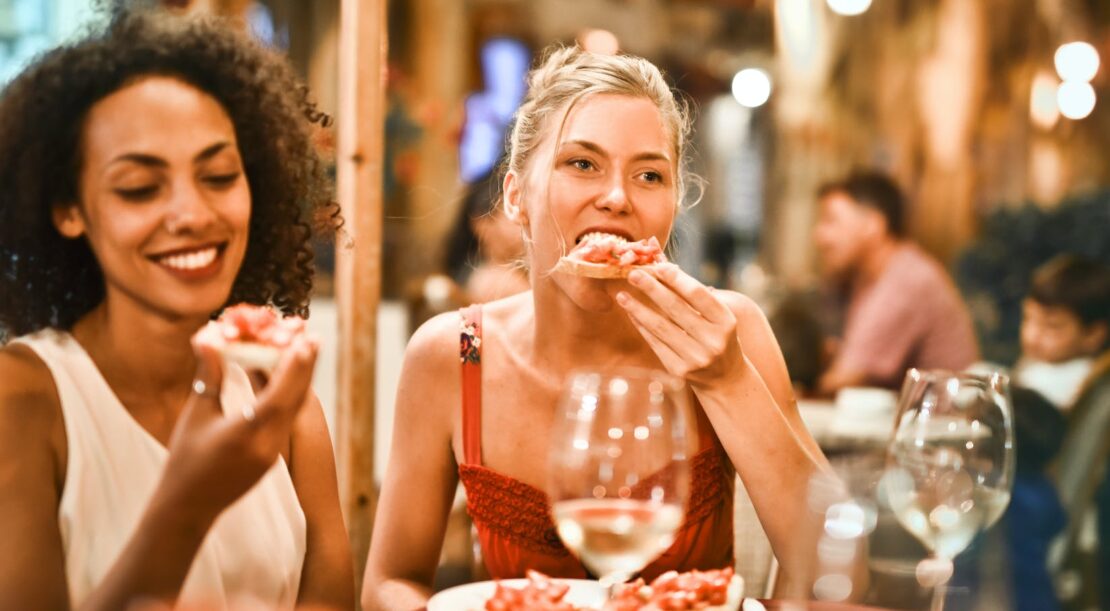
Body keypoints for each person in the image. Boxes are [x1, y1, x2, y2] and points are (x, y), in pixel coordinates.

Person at [362, 45, 830, 609]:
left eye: (649, 175)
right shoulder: (453, 354)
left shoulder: (732, 331)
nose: (616, 198)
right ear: (516, 198)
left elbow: (829, 558)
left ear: (673, 203)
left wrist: (727, 379)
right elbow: (390, 583)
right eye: (582, 164)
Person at [0, 10, 353, 610]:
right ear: (68, 209)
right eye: (139, 188)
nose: (192, 214)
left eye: (218, 175)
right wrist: (188, 504)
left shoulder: (285, 409)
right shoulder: (23, 402)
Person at [813, 170, 979, 395]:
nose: (819, 235)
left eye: (830, 220)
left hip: (945, 422)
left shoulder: (906, 281)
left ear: (873, 225)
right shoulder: (870, 276)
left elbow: (845, 379)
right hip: (914, 419)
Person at [1014, 254, 1110, 410]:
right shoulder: (1039, 362)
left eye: (1052, 326)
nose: (1033, 336)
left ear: (1093, 334)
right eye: (1028, 318)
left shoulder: (1078, 382)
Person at [442, 167, 530, 304]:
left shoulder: (512, 278)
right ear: (483, 225)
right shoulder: (494, 283)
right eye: (513, 208)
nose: (526, 219)